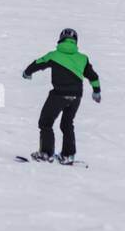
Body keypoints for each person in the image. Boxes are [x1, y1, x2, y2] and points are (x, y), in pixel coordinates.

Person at [22, 28, 100, 163]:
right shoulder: (83, 58)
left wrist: (27, 73)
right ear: (75, 41)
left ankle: (46, 153)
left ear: (61, 39)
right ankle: (68, 155)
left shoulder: (54, 55)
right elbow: (93, 76)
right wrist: (96, 91)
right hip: (76, 97)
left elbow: (38, 64)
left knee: (46, 123)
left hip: (58, 95)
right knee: (67, 124)